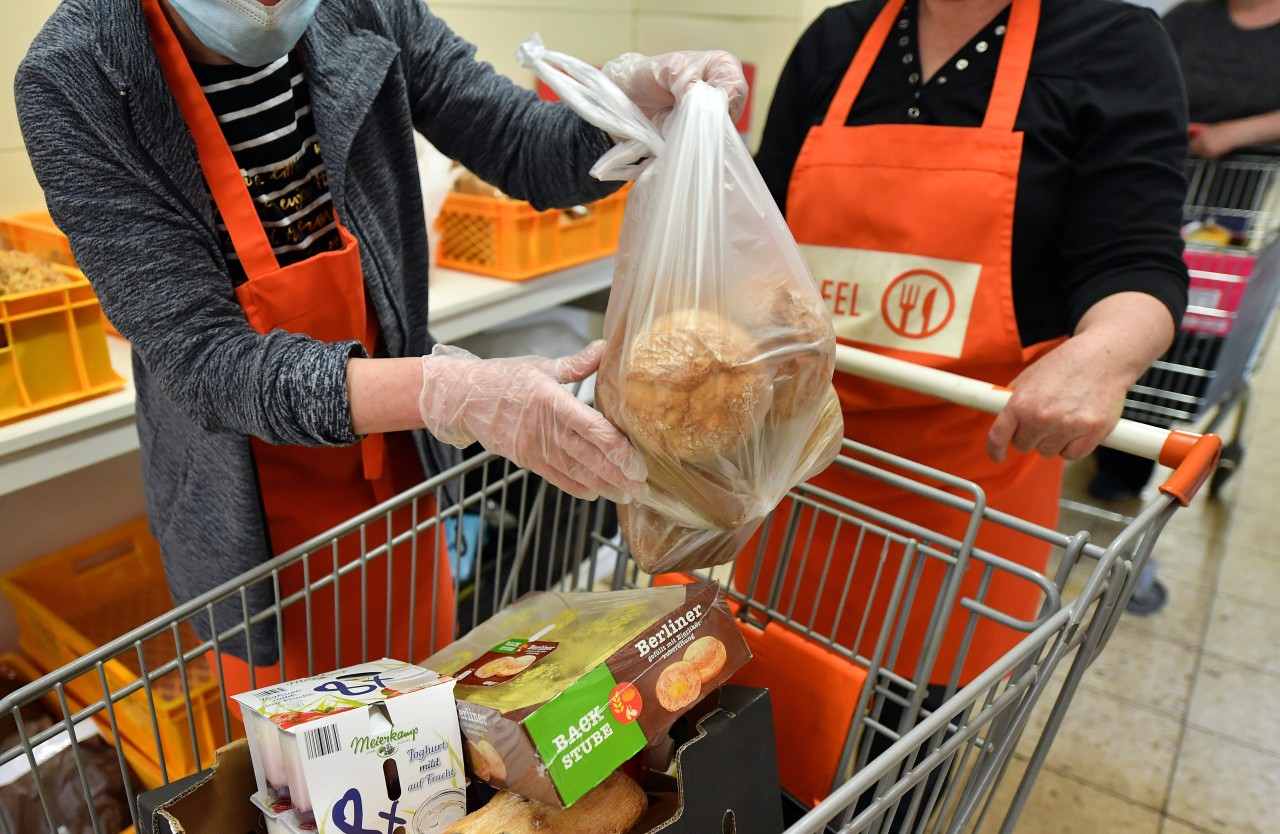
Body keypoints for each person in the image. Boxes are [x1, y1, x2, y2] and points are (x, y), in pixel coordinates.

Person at [14, 0, 746, 697]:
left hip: (396, 462)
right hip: (252, 506)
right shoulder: (77, 75)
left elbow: (525, 146)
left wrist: (629, 101)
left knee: (428, 717)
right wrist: (450, 392)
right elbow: (208, 364)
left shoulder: (360, 10)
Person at [740, 0, 1189, 812]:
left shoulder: (1112, 41)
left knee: (897, 769)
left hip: (968, 489)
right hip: (803, 472)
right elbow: (758, 232)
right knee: (761, 732)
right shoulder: (837, 40)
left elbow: (1138, 260)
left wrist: (1103, 355)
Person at [1090, 0, 1280, 500]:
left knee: (1190, 331)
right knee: (1119, 301)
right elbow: (1134, 78)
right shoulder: (1189, 17)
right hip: (1152, 184)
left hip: (1231, 211)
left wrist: (1237, 132)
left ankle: (1135, 453)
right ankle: (1103, 426)